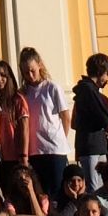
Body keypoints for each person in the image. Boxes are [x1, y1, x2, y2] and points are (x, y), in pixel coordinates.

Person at [18, 47, 73, 198]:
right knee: (40, 194)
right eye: (26, 72)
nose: (30, 75)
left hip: (54, 150)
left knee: (56, 193)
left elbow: (65, 116)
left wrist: (61, 138)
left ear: (40, 65)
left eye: (33, 71)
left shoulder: (52, 88)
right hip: (34, 151)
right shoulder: (23, 93)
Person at [73, 54, 108, 189]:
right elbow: (105, 118)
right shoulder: (88, 90)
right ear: (100, 71)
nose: (107, 79)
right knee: (94, 187)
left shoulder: (89, 90)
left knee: (101, 186)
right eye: (107, 74)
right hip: (91, 147)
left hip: (95, 145)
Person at [0, 59, 31, 177]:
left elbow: (25, 128)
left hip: (16, 157)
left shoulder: (18, 99)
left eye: (3, 75)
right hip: (0, 157)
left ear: (9, 77)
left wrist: (24, 156)